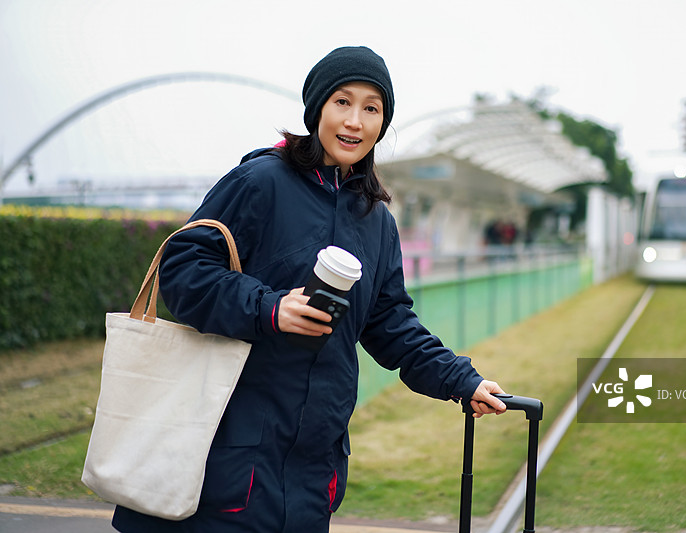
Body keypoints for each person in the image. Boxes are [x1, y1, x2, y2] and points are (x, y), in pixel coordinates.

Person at [111, 46, 507, 533]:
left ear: (383, 124)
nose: (355, 121)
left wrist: (460, 381)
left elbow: (390, 323)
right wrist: (270, 309)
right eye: (343, 102)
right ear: (317, 107)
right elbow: (183, 270)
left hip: (313, 471)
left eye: (371, 108)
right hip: (226, 459)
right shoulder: (260, 182)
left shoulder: (376, 220)